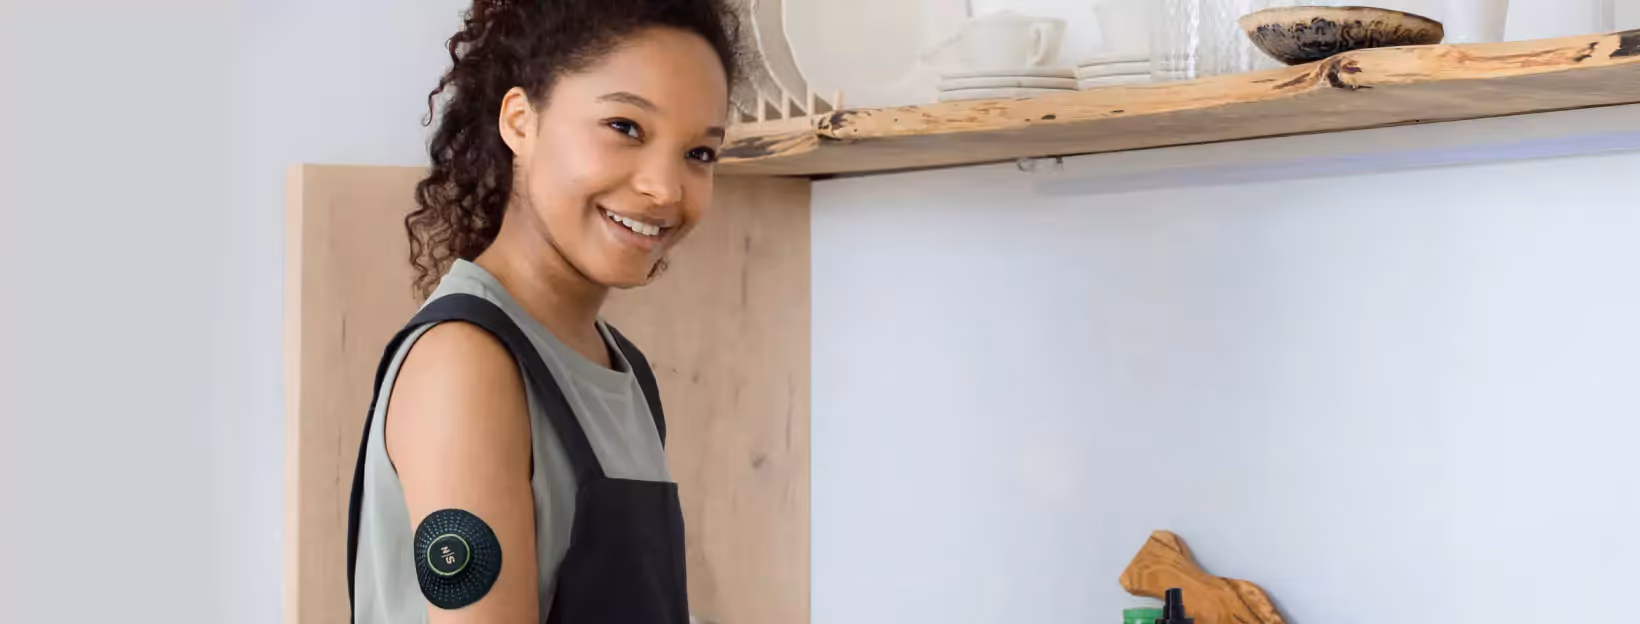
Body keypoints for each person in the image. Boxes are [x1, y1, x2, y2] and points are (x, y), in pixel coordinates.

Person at [345, 1, 740, 621]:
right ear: (521, 121)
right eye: (625, 127)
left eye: (699, 154)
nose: (665, 188)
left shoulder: (621, 369)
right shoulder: (467, 365)